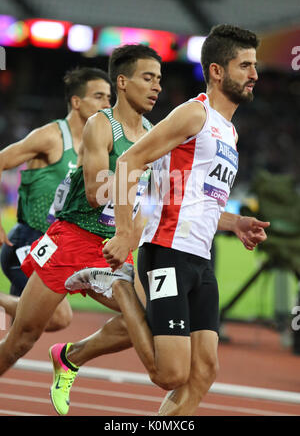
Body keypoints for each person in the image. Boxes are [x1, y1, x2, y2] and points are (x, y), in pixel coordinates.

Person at [47, 25, 270, 417]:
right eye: (245, 65)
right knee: (170, 373)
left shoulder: (230, 133)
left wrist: (235, 223)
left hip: (200, 260)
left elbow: (197, 200)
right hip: (167, 251)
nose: (254, 74)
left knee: (203, 372)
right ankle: (118, 285)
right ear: (217, 71)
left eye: (254, 66)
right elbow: (132, 161)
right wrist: (122, 232)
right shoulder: (193, 113)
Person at [0, 44, 162, 391]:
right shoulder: (99, 125)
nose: (157, 87)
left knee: (148, 318)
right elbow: (95, 191)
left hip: (114, 248)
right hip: (71, 240)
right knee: (22, 338)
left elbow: (149, 199)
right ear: (123, 82)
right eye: (148, 78)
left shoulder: (153, 134)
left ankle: (71, 356)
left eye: (159, 79)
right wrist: (132, 174)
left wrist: (131, 235)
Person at [0, 67, 112, 331]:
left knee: (20, 335)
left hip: (59, 246)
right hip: (28, 242)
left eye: (109, 97)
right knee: (59, 317)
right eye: (99, 96)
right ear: (76, 102)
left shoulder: (101, 145)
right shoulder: (51, 137)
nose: (107, 104)